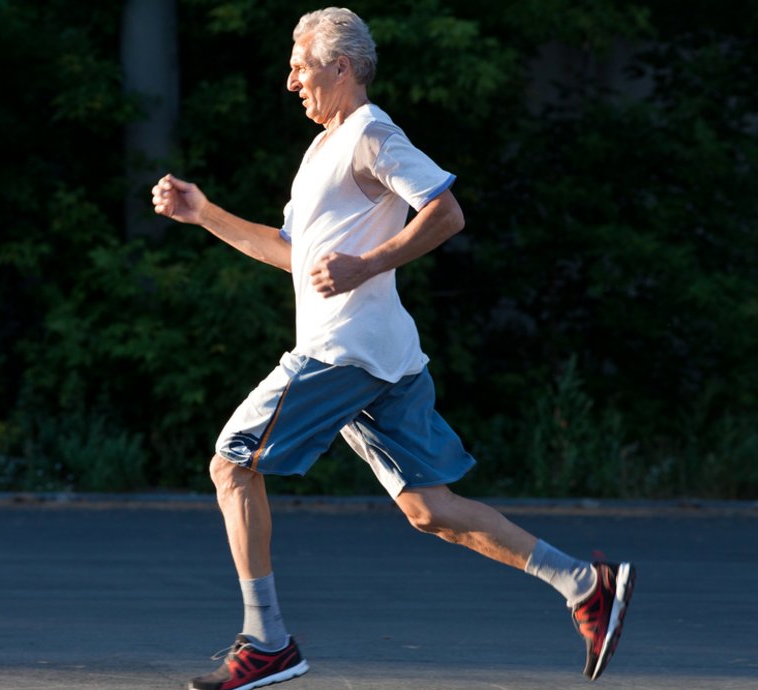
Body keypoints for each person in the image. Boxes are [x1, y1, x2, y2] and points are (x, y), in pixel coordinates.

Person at [152, 7, 635, 690]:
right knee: (429, 509)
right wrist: (204, 213)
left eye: (300, 67)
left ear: (339, 67)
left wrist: (367, 264)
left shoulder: (370, 134)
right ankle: (585, 584)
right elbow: (290, 254)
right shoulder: (323, 149)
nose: (291, 81)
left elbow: (446, 211)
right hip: (382, 356)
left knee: (231, 466)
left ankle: (266, 641)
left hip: (343, 351)